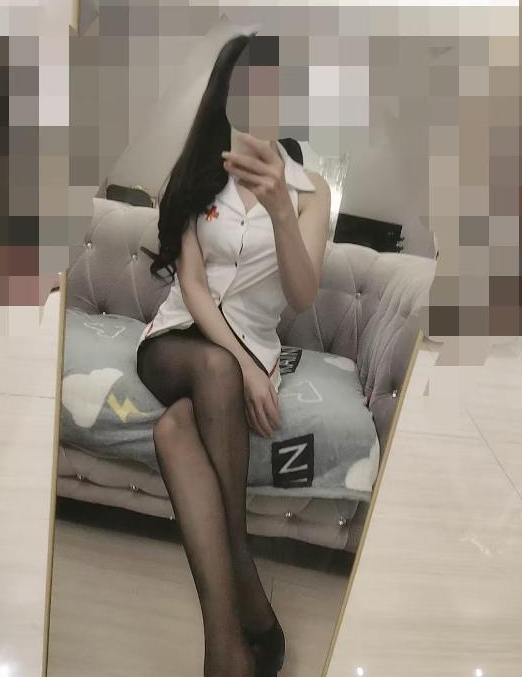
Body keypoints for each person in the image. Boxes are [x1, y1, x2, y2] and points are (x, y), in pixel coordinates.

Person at [136, 33, 330, 677]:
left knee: (174, 430)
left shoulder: (311, 191)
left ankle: (226, 651)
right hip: (177, 341)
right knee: (218, 366)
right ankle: (246, 579)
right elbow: (192, 287)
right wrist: (245, 366)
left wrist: (281, 212)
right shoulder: (199, 174)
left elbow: (300, 297)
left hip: (251, 343)